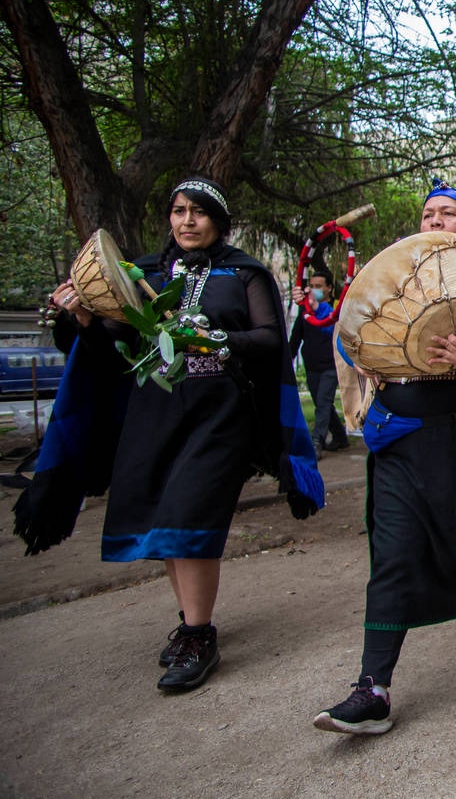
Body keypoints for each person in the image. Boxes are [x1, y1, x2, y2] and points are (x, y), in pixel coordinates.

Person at [21, 177, 322, 693]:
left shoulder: (242, 272)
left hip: (220, 414)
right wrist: (83, 315)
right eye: (178, 211)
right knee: (163, 519)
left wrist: (213, 338)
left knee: (192, 512)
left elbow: (270, 338)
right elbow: (110, 348)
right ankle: (189, 622)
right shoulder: (143, 274)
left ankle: (199, 635)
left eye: (198, 212)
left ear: (218, 222)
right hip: (153, 416)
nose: (186, 221)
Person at [313, 180, 456, 736]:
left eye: (449, 214)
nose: (435, 221)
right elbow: (349, 332)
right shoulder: (398, 279)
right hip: (403, 440)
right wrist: (363, 361)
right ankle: (373, 688)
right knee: (394, 552)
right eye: (428, 213)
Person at [289, 269, 349, 456]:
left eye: (318, 286)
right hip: (312, 365)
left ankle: (316, 441)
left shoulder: (338, 308)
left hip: (331, 366)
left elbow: (337, 332)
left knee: (323, 402)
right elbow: (296, 337)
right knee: (321, 404)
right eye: (311, 286)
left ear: (329, 288)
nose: (314, 290)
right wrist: (287, 359)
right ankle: (340, 437)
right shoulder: (305, 309)